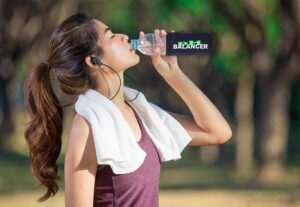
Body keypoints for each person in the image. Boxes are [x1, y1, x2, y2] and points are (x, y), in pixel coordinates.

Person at [23, 13, 232, 207]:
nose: (123, 36)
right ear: (93, 60)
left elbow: (218, 132)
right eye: (111, 35)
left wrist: (173, 74)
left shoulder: (143, 114)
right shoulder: (87, 125)